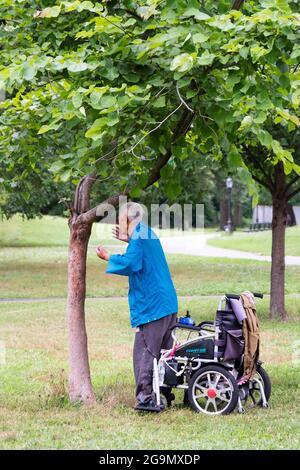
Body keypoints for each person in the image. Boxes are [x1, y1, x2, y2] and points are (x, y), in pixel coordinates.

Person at [96, 202, 178, 412]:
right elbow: (140, 253)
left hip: (153, 306)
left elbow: (132, 263)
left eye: (119, 219)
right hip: (167, 303)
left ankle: (146, 399)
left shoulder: (139, 238)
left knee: (145, 351)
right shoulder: (146, 233)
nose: (117, 223)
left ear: (127, 219)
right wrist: (128, 239)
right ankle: (164, 392)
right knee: (164, 352)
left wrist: (108, 257)